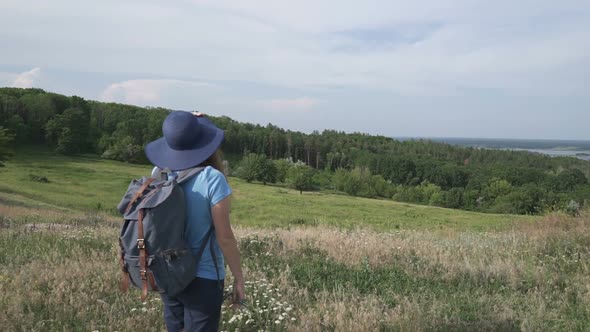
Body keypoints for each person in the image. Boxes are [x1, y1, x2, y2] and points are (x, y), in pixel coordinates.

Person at [145, 110, 245, 332]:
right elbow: (225, 237)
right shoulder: (213, 178)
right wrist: (239, 278)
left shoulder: (160, 172)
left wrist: (185, 124)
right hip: (205, 278)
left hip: (168, 271)